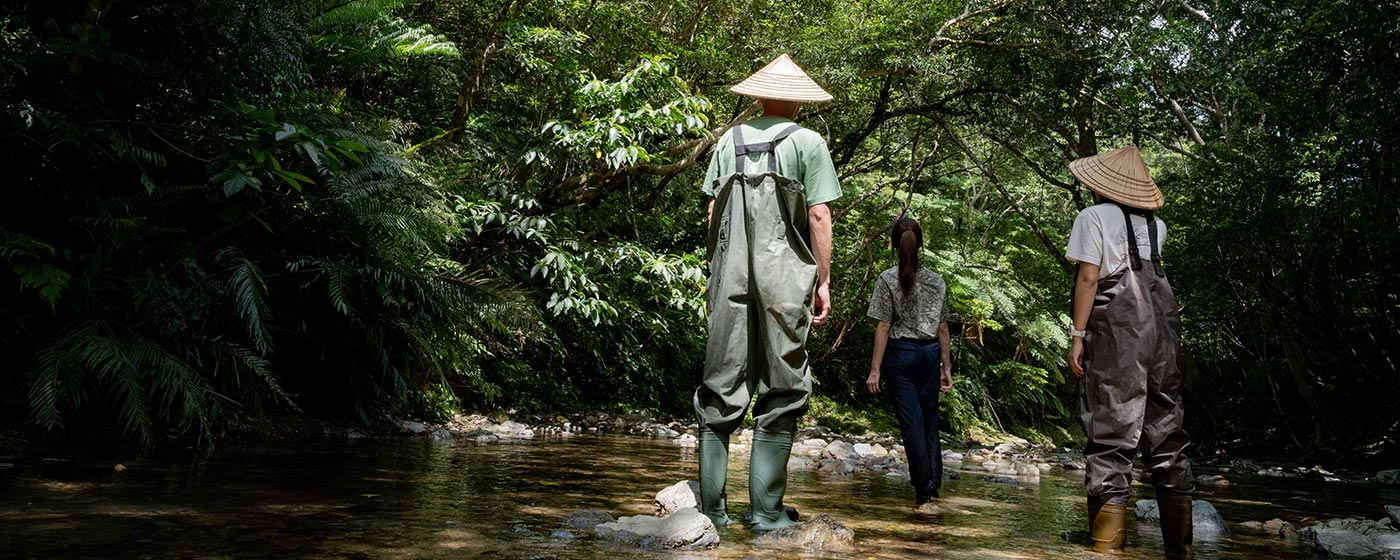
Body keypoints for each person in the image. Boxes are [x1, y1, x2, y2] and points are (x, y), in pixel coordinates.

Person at [694, 54, 841, 532]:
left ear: (758, 95)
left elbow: (715, 211)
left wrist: (718, 272)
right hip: (784, 281)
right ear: (797, 100)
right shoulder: (808, 142)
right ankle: (766, 514)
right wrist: (822, 279)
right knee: (783, 386)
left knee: (721, 382)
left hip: (729, 276)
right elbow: (818, 216)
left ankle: (713, 513)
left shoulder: (727, 141)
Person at [1065, 145, 1194, 557]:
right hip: (1162, 336)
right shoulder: (1159, 227)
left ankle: (1107, 551)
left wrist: (1077, 335)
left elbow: (1088, 279)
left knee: (1110, 433)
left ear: (1101, 185)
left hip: (1119, 336)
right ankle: (1181, 551)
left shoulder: (1092, 217)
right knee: (1167, 433)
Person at [865, 217, 952, 506]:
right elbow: (942, 328)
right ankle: (932, 482)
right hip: (929, 353)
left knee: (911, 423)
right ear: (921, 244)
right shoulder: (936, 281)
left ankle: (922, 488)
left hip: (899, 355)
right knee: (929, 420)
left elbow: (883, 327)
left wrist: (875, 370)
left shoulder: (887, 279)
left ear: (892, 245)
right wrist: (946, 367)